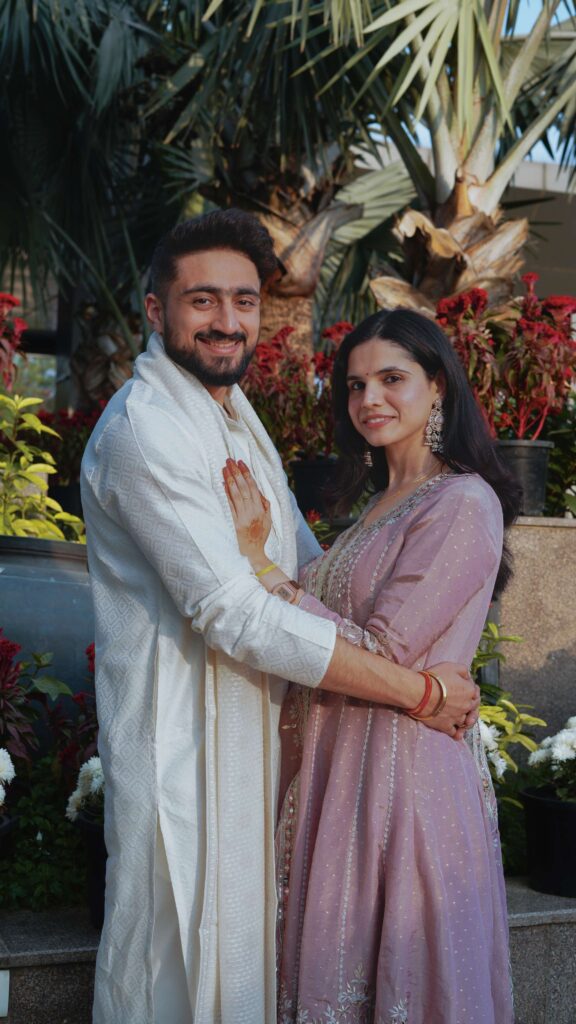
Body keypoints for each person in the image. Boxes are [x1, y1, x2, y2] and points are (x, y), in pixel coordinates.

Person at [80, 210, 479, 1024]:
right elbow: (232, 611)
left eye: (245, 300)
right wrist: (418, 692)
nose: (227, 321)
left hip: (270, 750)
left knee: (245, 982)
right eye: (202, 300)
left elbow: (302, 573)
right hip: (184, 752)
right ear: (156, 310)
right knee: (170, 973)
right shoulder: (145, 428)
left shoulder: (233, 414)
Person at [223, 308, 520, 1024]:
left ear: (438, 386)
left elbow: (382, 652)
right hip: (344, 769)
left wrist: (263, 568)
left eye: (392, 379)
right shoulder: (378, 505)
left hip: (404, 780)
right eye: (355, 386)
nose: (369, 399)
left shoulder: (462, 502)